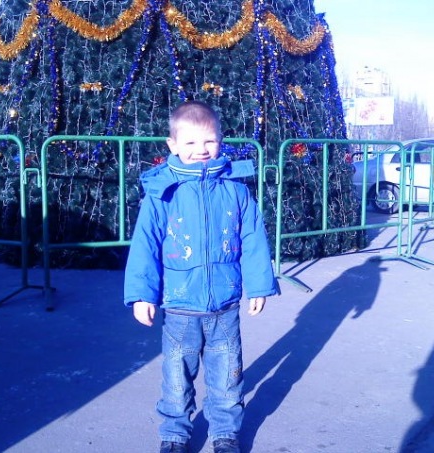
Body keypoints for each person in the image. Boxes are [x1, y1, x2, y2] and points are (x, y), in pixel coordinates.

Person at [124, 101, 279, 453]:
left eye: (209, 141)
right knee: (177, 377)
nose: (201, 150)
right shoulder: (163, 192)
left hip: (225, 304)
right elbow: (145, 243)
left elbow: (253, 238)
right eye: (191, 142)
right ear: (173, 144)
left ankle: (225, 432)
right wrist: (142, 294)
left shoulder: (236, 189)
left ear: (220, 140)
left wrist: (258, 285)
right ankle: (175, 434)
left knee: (227, 375)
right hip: (180, 304)